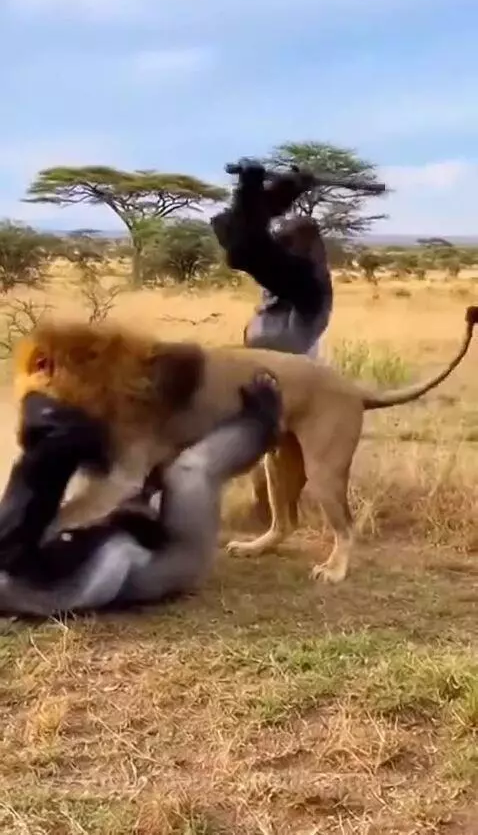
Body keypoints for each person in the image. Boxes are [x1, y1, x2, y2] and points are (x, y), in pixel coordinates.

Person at [0, 372, 282, 617]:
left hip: (97, 545)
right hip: (167, 560)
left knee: (71, 453)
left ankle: (55, 422)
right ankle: (260, 426)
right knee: (188, 472)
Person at [211, 158, 385, 358]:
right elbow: (231, 230)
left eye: (286, 242)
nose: (278, 244)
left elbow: (246, 250)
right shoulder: (285, 284)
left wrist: (249, 191)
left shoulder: (308, 290)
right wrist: (286, 190)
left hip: (291, 381)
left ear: (309, 248)